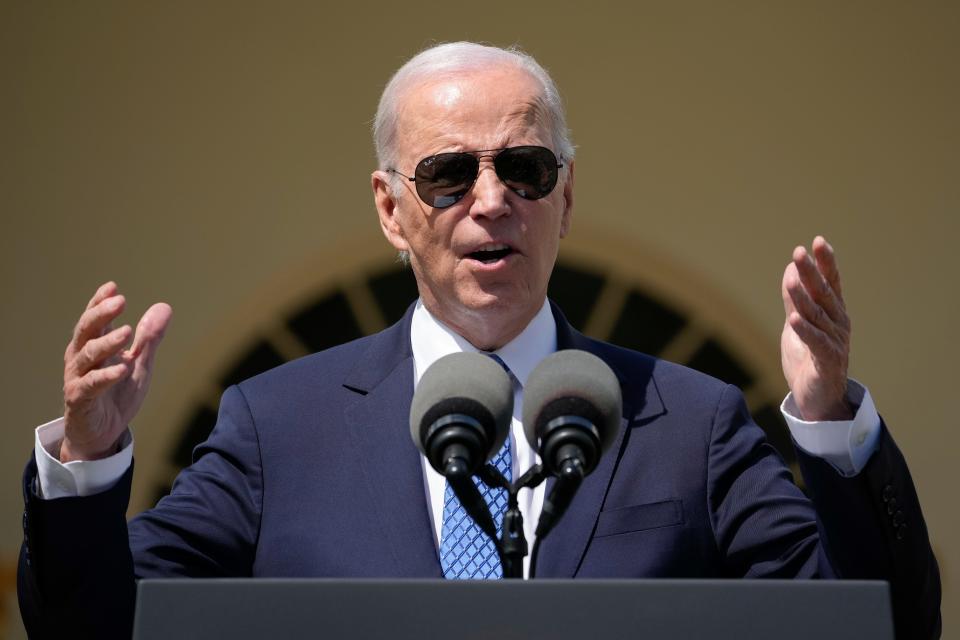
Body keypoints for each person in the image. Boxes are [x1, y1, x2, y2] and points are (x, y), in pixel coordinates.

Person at [19, 42, 940, 639]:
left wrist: (827, 425)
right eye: (450, 174)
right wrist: (90, 460)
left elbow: (880, 623)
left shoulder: (689, 421)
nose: (493, 199)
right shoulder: (278, 425)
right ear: (390, 208)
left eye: (526, 169)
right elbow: (91, 625)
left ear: (567, 198)